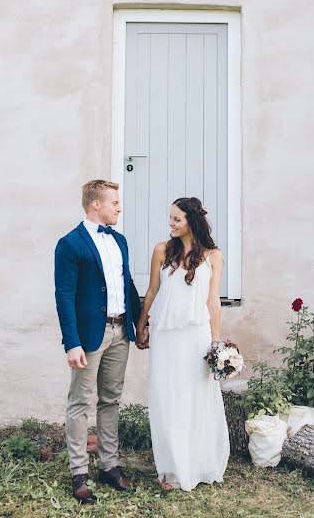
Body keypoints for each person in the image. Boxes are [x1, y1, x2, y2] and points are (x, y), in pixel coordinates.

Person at [54, 179, 146, 503]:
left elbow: (127, 283)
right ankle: (79, 474)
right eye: (115, 202)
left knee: (111, 400)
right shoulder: (70, 244)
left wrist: (139, 322)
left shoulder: (119, 240)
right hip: (90, 337)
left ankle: (110, 466)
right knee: (80, 403)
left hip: (121, 332)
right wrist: (72, 342)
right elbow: (64, 296)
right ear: (96, 205)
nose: (119, 207)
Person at [135, 197, 230, 492]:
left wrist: (216, 344)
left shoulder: (213, 255)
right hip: (166, 335)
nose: (171, 223)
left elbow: (213, 301)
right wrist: (141, 326)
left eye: (177, 219)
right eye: (170, 218)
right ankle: (172, 468)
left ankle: (198, 464)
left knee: (196, 396)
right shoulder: (161, 250)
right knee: (168, 396)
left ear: (192, 221)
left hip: (197, 335)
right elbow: (151, 291)